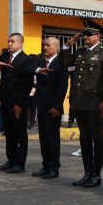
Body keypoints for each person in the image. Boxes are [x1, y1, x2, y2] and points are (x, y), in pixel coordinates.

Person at [58, 20, 103, 188]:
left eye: (89, 34)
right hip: (80, 102)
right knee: (84, 139)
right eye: (84, 34)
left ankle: (96, 175)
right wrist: (66, 46)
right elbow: (63, 63)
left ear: (98, 36)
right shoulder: (80, 51)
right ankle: (87, 173)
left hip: (96, 103)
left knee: (97, 138)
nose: (86, 37)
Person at [0, 33, 35, 173]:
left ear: (21, 43)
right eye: (8, 41)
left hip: (17, 102)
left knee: (20, 134)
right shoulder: (5, 57)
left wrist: (19, 104)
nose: (9, 44)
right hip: (5, 101)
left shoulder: (26, 60)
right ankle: (11, 160)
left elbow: (26, 85)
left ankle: (20, 163)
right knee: (9, 133)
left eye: (12, 41)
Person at [32, 37, 68, 179]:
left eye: (48, 45)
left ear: (56, 47)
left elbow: (62, 87)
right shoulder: (41, 62)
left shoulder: (60, 63)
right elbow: (28, 67)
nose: (45, 47)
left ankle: (53, 167)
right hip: (41, 105)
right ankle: (46, 165)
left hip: (53, 107)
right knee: (44, 138)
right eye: (44, 45)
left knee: (52, 138)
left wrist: (57, 106)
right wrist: (38, 69)